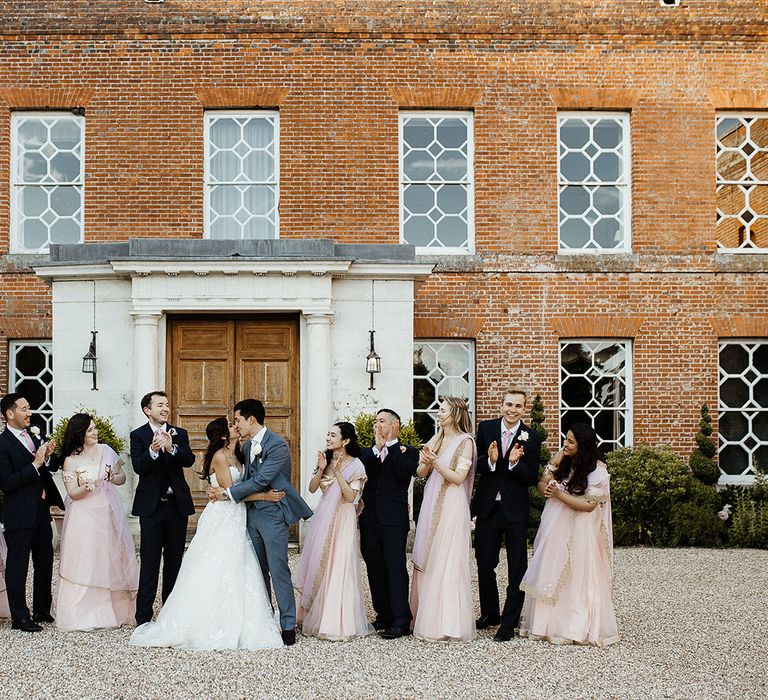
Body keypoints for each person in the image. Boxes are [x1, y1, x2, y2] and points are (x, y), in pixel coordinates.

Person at [131, 417, 283, 650]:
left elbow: (233, 489)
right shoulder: (221, 457)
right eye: (231, 426)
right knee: (217, 563)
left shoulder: (240, 452)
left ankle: (238, 616)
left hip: (235, 514)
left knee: (237, 563)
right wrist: (264, 496)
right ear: (223, 435)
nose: (235, 427)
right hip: (224, 515)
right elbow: (233, 493)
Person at [208, 398, 313, 646]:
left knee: (278, 569)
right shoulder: (244, 448)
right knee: (257, 570)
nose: (236, 424)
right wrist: (219, 488)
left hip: (272, 513)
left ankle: (288, 624)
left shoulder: (277, 445)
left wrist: (227, 494)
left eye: (237, 420)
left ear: (250, 419)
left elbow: (261, 479)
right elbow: (227, 470)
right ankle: (265, 618)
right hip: (248, 514)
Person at [519, 422, 619, 647]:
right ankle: (544, 624)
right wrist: (549, 474)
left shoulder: (598, 471)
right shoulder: (563, 460)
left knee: (576, 573)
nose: (565, 443)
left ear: (583, 445)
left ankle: (574, 625)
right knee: (550, 568)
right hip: (555, 524)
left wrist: (557, 494)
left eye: (571, 441)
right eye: (566, 438)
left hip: (581, 529)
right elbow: (543, 483)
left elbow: (588, 505)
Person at [54, 413, 138, 631]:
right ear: (79, 433)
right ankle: (78, 613)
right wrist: (86, 486)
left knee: (104, 558)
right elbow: (72, 493)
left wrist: (112, 477)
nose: (95, 432)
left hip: (104, 512)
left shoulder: (105, 451)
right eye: (90, 429)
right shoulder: (70, 461)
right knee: (84, 558)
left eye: (95, 428)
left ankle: (106, 612)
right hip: (82, 516)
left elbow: (121, 478)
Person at [472, 388, 542, 641]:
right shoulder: (486, 428)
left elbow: (533, 476)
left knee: (517, 566)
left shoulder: (531, 437)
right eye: (509, 404)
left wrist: (514, 463)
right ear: (501, 405)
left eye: (518, 406)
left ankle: (509, 622)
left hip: (515, 509)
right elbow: (475, 464)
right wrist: (490, 461)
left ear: (524, 410)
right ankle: (490, 612)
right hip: (488, 507)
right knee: (484, 561)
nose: (512, 410)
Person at [294, 422, 373, 641]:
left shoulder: (356, 465)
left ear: (346, 441)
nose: (328, 438)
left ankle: (336, 622)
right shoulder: (325, 459)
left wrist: (338, 473)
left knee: (339, 564)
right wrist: (321, 468)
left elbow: (350, 497)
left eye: (333, 435)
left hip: (343, 518)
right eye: (328, 434)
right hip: (323, 519)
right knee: (320, 562)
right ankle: (313, 615)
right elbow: (312, 488)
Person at [409, 397, 476, 642]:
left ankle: (450, 622)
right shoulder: (436, 438)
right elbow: (419, 473)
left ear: (455, 414)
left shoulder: (465, 442)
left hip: (451, 504)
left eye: (443, 410)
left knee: (447, 557)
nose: (439, 413)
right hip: (432, 499)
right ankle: (427, 616)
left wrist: (435, 463)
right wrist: (427, 463)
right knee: (430, 553)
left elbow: (459, 478)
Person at [130, 391, 196, 626]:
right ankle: (143, 617)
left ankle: (171, 614)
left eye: (167, 404)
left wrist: (171, 448)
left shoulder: (180, 433)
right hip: (151, 508)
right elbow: (138, 467)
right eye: (160, 405)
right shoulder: (138, 435)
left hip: (176, 507)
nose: (166, 408)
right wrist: (153, 450)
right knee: (149, 561)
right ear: (148, 410)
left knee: (174, 561)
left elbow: (189, 460)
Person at [0, 393, 64, 632]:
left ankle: (41, 609)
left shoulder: (36, 435)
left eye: (29, 409)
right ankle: (20, 617)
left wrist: (47, 458)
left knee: (45, 559)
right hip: (18, 513)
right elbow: (6, 482)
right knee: (18, 565)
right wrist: (35, 464)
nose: (30, 413)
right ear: (10, 414)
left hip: (41, 510)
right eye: (24, 409)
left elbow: (52, 466)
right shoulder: (2, 444)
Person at [359, 408, 419, 640]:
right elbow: (365, 475)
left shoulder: (408, 452)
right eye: (376, 421)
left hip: (394, 520)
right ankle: (383, 614)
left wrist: (392, 445)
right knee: (374, 566)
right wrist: (377, 448)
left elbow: (403, 474)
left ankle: (401, 619)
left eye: (382, 421)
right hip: (370, 519)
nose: (377, 425)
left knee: (395, 568)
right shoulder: (368, 454)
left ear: (395, 425)